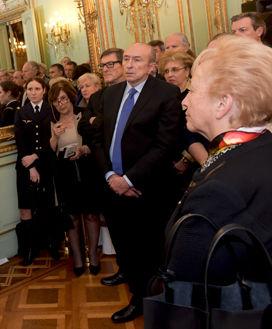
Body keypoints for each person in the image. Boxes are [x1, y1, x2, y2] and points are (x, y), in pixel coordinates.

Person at [165, 34, 272, 286]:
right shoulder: (266, 145)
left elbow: (187, 287)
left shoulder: (219, 192)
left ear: (223, 103)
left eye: (193, 89)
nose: (184, 100)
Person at [92, 43, 183, 323]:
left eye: (137, 60)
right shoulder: (110, 94)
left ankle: (153, 303)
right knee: (127, 250)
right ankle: (138, 295)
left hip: (148, 190)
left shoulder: (166, 93)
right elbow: (98, 140)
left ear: (152, 65)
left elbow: (164, 145)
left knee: (151, 251)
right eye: (127, 59)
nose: (129, 65)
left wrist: (129, 179)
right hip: (114, 189)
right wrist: (112, 177)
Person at [48, 81, 102, 277]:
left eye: (63, 98)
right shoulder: (51, 120)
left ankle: (94, 255)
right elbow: (50, 152)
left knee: (91, 214)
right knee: (71, 216)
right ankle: (78, 257)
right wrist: (54, 137)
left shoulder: (84, 114)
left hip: (87, 168)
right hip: (64, 172)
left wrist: (82, 150)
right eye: (55, 101)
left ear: (70, 97)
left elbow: (97, 143)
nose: (60, 104)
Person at [14, 77, 57, 266]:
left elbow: (53, 140)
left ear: (44, 90)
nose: (33, 92)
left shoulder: (52, 110)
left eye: (37, 88)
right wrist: (30, 166)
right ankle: (31, 247)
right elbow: (20, 140)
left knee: (46, 205)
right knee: (26, 206)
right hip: (25, 166)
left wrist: (36, 158)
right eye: (30, 89)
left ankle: (50, 242)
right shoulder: (20, 112)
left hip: (46, 163)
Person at [159, 50, 208, 194]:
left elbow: (200, 130)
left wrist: (186, 160)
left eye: (175, 70)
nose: (170, 75)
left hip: (195, 160)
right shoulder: (164, 97)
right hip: (168, 163)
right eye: (166, 71)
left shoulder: (196, 94)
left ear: (187, 71)